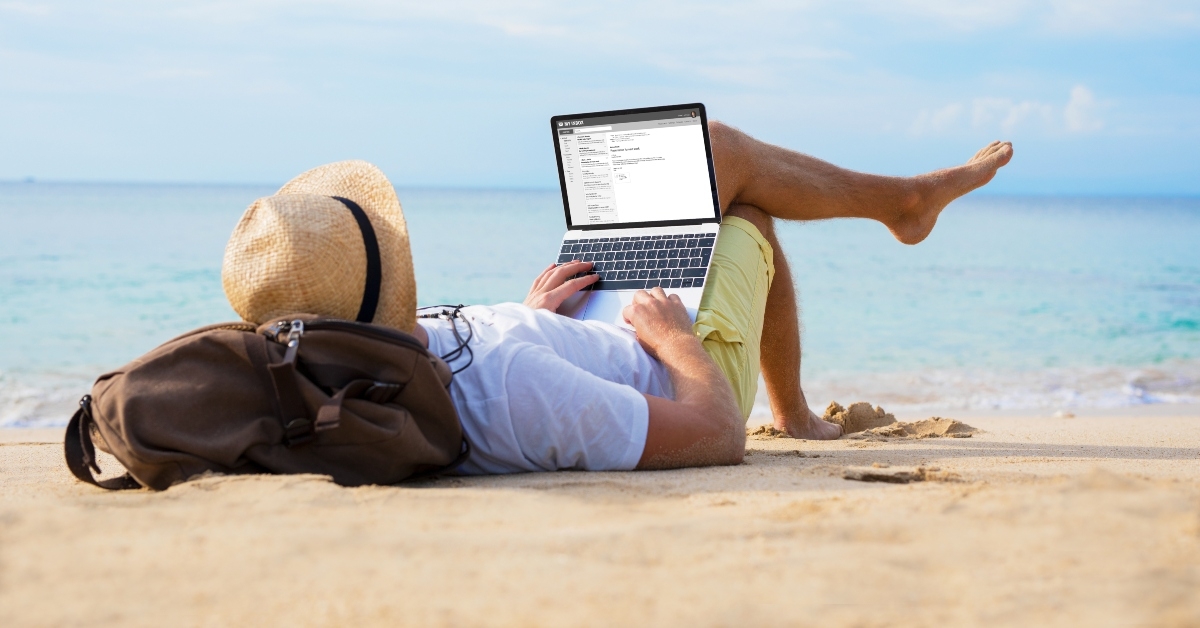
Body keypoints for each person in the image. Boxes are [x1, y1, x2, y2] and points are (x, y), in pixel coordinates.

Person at [222, 123, 1013, 475]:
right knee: (743, 202)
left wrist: (528, 314)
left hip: (576, 327)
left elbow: (480, 359)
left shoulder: (374, 361)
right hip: (681, 370)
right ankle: (899, 212)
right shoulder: (516, 391)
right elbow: (711, 438)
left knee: (717, 167)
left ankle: (902, 205)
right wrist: (673, 342)